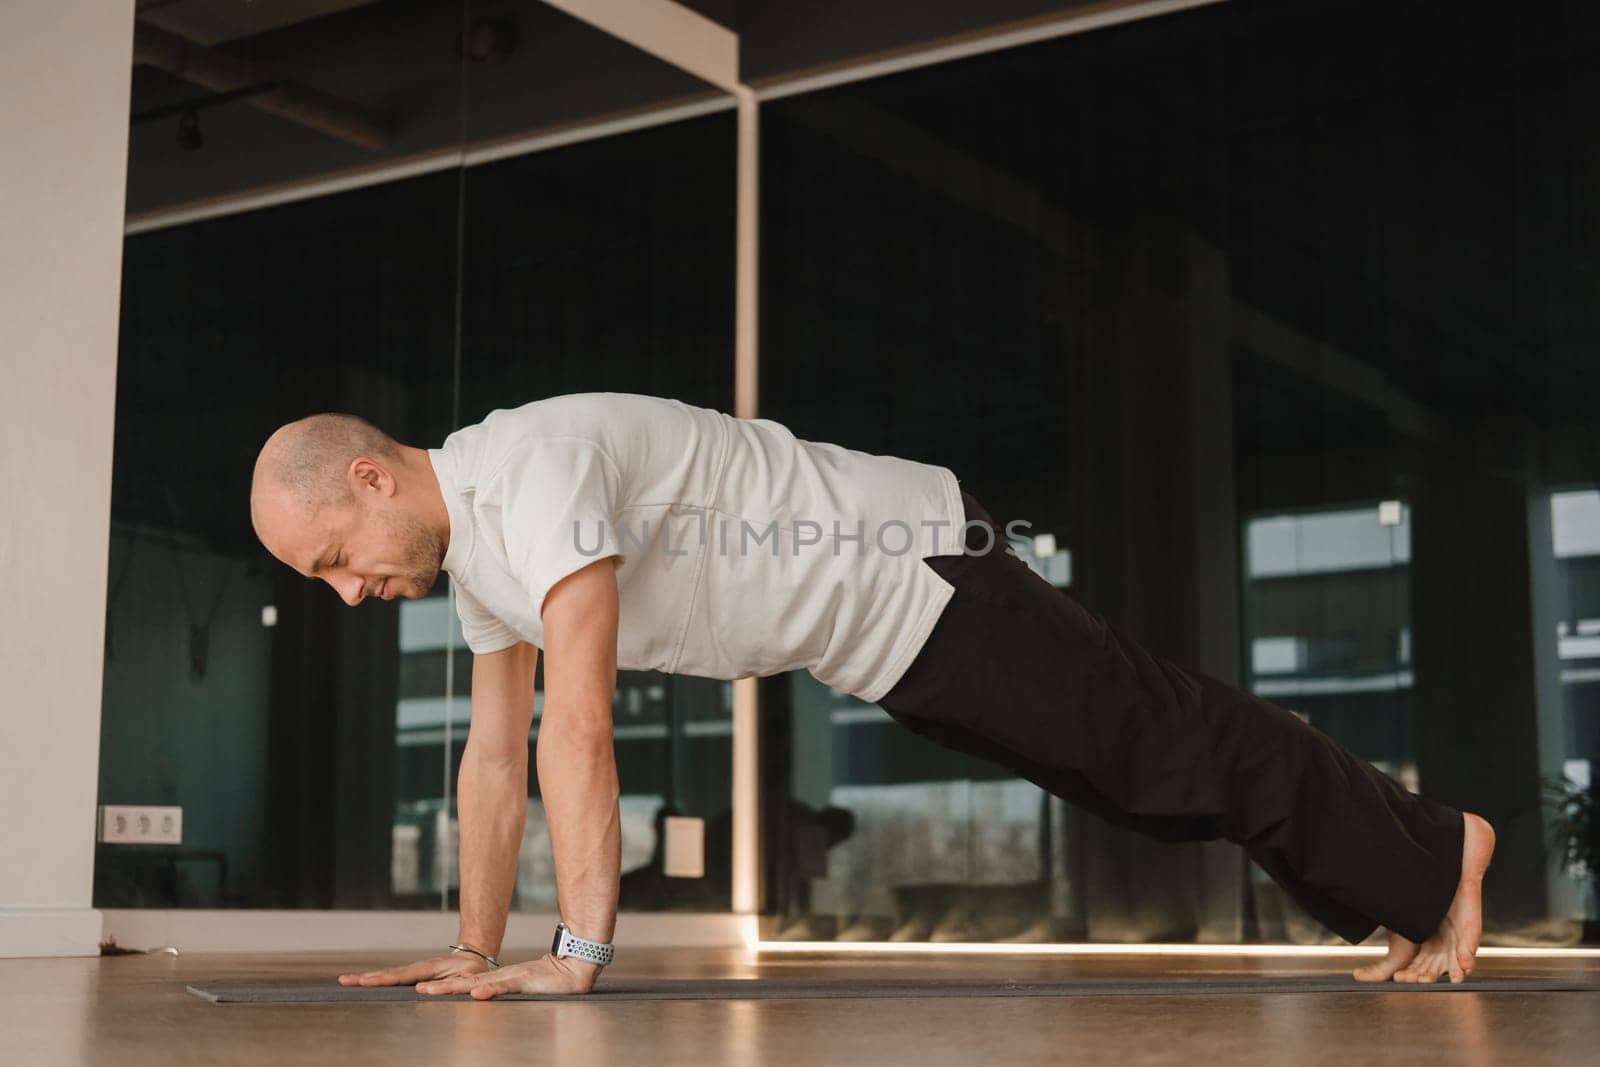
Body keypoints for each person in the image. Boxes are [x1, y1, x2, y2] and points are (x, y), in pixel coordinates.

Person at [249, 392, 1495, 998]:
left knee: (1162, 749)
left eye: (334, 562)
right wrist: (475, 944)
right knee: (1148, 787)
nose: (350, 593)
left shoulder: (531, 473)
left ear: (369, 477)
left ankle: (1441, 847)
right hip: (883, 642)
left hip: (923, 574)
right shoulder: (482, 560)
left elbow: (575, 728)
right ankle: (1399, 881)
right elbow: (493, 754)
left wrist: (576, 951)